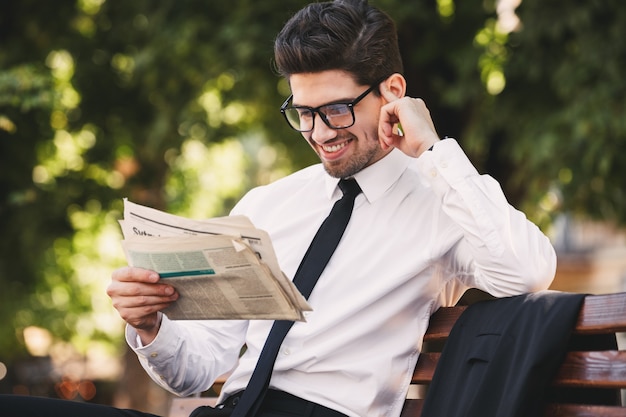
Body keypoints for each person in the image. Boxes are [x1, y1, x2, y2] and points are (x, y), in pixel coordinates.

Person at [1, 0, 556, 416]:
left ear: (392, 92)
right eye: (302, 112)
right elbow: (196, 372)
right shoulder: (269, 204)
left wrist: (431, 151)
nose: (317, 134)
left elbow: (527, 271)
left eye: (336, 110)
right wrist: (150, 326)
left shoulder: (441, 201)